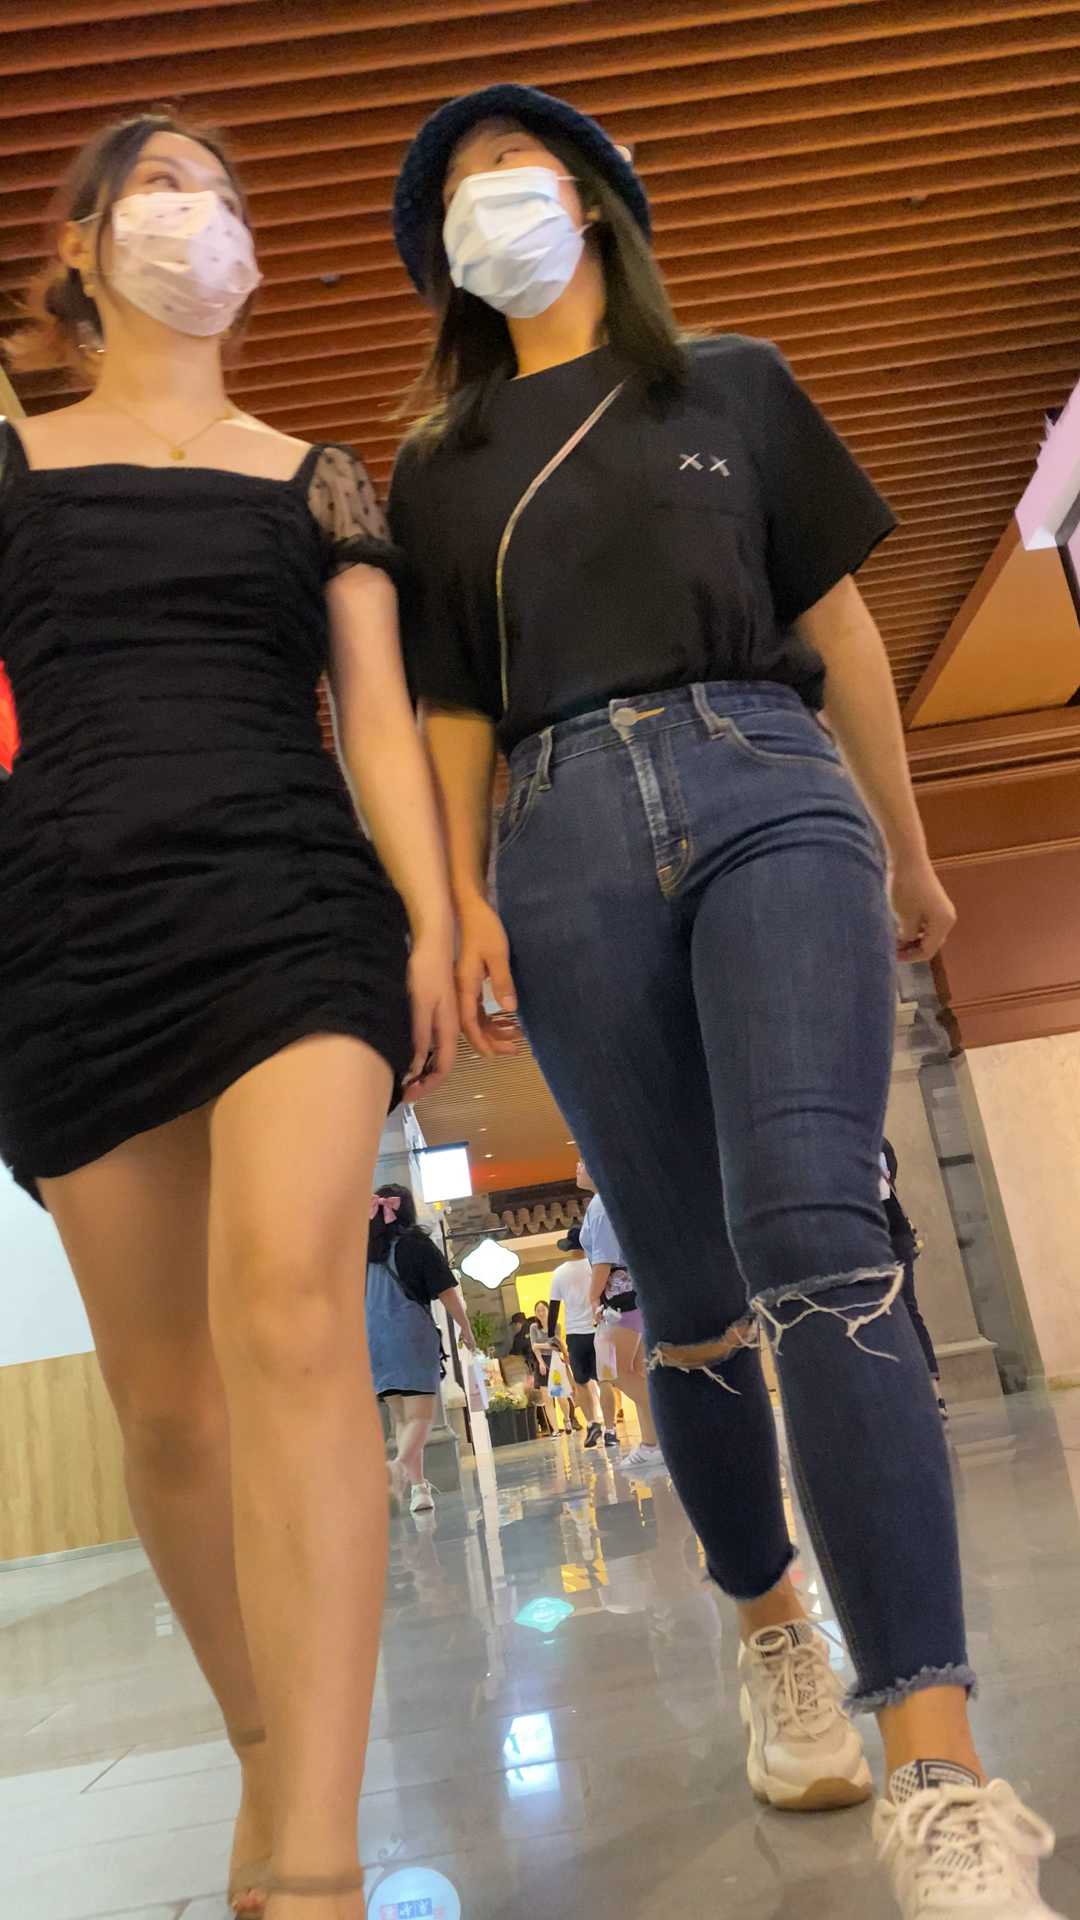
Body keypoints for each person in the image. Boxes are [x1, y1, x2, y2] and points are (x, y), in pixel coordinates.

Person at [387, 84, 1061, 1918]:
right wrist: (460, 899)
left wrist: (911, 852)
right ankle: (774, 1632)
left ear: (599, 197)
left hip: (768, 780)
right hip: (557, 832)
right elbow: (451, 707)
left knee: (820, 1234)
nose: (495, 201)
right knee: (685, 1295)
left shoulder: (735, 386)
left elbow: (838, 627)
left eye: (518, 169)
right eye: (459, 191)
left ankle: (941, 1773)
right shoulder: (439, 466)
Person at [0, 113, 457, 1920]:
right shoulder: (11, 464)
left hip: (292, 904)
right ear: (84, 243)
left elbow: (378, 719)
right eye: (162, 186)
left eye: (224, 193)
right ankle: (265, 1752)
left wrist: (431, 919)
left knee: (289, 1311)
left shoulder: (316, 476)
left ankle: (321, 1861)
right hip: (65, 922)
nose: (200, 216)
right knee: (169, 1408)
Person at [366, 1184, 476, 1514]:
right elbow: (447, 1293)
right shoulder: (417, 1244)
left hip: (375, 1339)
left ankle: (419, 1489)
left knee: (401, 1417)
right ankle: (399, 1468)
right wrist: (466, 1328)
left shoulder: (364, 1251)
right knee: (421, 1415)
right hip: (410, 1335)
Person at [577, 1163, 664, 1470]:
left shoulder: (601, 1206)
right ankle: (652, 1443)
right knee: (635, 1370)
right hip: (629, 1296)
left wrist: (592, 1297)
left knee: (612, 1370)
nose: (577, 1167)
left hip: (619, 1299)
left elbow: (603, 1260)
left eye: (583, 1161)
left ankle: (670, 1423)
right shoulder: (606, 1201)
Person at [881, 1139, 946, 1420]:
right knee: (902, 1310)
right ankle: (925, 1395)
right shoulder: (876, 1142)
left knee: (906, 1309)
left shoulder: (876, 1144)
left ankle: (932, 1394)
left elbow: (882, 1188)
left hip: (889, 1235)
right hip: (884, 1235)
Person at [547, 1221, 618, 1448]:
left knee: (581, 1382)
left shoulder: (559, 1273)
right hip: (600, 1329)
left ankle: (591, 1423)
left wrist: (551, 1335)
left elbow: (554, 1307)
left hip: (575, 1335)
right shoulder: (595, 1267)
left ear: (568, 1247)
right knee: (605, 1381)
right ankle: (611, 1431)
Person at [529, 1300, 578, 1434]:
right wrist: (540, 1361)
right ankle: (555, 1430)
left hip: (555, 1361)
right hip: (541, 1362)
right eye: (538, 1311)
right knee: (547, 1399)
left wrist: (539, 1345)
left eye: (543, 1310)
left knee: (561, 1396)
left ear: (548, 1311)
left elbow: (556, 1345)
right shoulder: (533, 1327)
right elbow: (533, 1346)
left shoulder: (556, 1326)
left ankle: (567, 1419)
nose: (541, 1313)